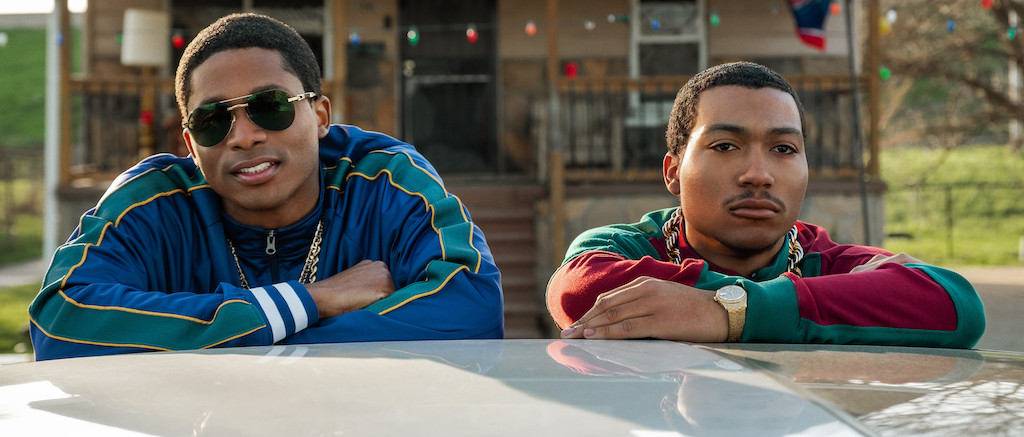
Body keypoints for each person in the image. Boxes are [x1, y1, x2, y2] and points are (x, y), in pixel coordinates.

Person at [29, 13, 504, 361]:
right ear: (191, 144)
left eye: (270, 106)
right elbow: (61, 318)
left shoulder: (384, 180)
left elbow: (472, 304)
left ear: (320, 116)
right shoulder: (153, 202)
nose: (243, 136)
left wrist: (252, 340)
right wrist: (309, 301)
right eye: (213, 120)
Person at [547, 61, 984, 348]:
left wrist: (726, 312)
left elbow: (955, 305)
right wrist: (810, 308)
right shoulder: (628, 248)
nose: (758, 174)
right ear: (673, 172)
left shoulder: (826, 261)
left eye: (783, 149)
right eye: (725, 145)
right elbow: (576, 289)